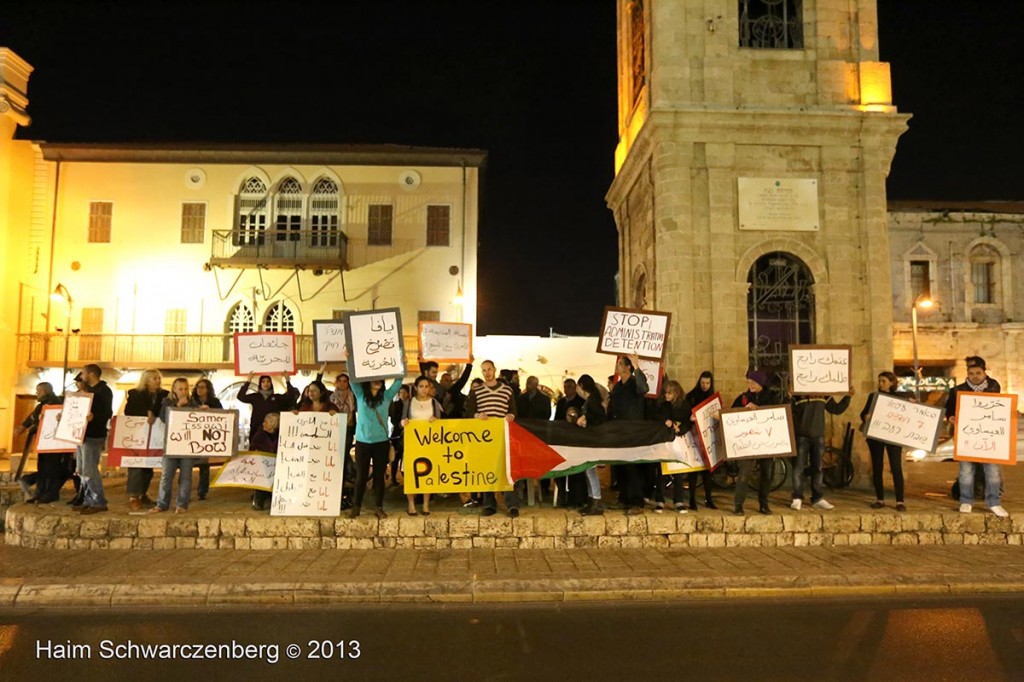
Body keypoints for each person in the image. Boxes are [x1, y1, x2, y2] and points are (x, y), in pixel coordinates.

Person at [946, 356, 1009, 518]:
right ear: (967, 374)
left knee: (992, 471)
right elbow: (949, 410)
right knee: (966, 470)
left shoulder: (994, 386)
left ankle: (994, 502)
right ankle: (966, 501)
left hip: (989, 437)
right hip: (967, 436)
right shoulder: (957, 390)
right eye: (971, 373)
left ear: (984, 373)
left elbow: (1000, 406)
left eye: (978, 373)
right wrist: (951, 417)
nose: (975, 376)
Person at [465, 360, 520, 517]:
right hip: (484, 439)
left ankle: (511, 504)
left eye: (489, 369)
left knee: (506, 469)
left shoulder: (507, 390)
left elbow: (513, 410)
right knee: (486, 469)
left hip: (503, 437)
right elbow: (469, 412)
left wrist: (511, 415)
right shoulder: (476, 392)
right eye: (484, 370)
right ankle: (489, 504)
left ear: (494, 370)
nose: (487, 372)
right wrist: (477, 415)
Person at [790, 386, 852, 512]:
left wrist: (848, 397)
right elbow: (786, 410)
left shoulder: (822, 394)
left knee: (817, 468)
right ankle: (797, 497)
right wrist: (788, 396)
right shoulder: (797, 394)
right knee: (798, 467)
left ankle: (817, 498)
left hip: (818, 436)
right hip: (801, 435)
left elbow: (836, 409)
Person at [349, 377, 403, 519]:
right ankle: (356, 507)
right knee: (361, 476)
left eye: (380, 379)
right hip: (362, 442)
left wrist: (402, 364)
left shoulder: (386, 397)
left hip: (381, 442)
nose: (377, 381)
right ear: (367, 381)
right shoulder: (360, 395)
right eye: (374, 379)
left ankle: (378, 507)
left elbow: (398, 382)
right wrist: (349, 359)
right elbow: (352, 380)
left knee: (379, 476)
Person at [731, 369, 777, 516]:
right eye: (748, 381)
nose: (749, 384)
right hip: (747, 443)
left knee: (767, 473)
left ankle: (763, 503)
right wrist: (743, 411)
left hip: (766, 442)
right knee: (744, 473)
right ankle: (738, 504)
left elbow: (777, 414)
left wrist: (759, 409)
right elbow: (731, 415)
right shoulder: (743, 398)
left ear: (761, 383)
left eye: (753, 382)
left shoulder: (772, 397)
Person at [607, 353, 649, 515]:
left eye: (620, 364)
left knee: (633, 467)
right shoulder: (618, 386)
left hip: (633, 432)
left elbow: (644, 388)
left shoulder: (634, 383)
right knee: (621, 466)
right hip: (619, 432)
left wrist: (637, 366)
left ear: (627, 367)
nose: (617, 366)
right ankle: (624, 498)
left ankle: (636, 501)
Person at [121, 369, 168, 510]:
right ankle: (134, 496)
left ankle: (143, 494)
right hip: (138, 435)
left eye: (158, 378)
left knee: (149, 466)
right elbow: (129, 411)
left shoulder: (164, 395)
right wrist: (145, 413)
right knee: (136, 465)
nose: (157, 381)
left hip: (156, 434)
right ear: (146, 380)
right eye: (154, 378)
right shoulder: (135, 394)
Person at [861, 371, 906, 511]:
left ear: (891, 383)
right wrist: (866, 417)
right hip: (876, 436)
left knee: (896, 467)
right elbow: (863, 413)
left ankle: (900, 501)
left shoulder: (900, 398)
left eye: (883, 381)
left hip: (893, 437)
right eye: (879, 381)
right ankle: (880, 499)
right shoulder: (873, 396)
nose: (880, 384)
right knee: (877, 467)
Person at [73, 364, 113, 515]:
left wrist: (94, 418)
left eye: (83, 373)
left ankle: (99, 501)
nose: (81, 376)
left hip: (93, 435)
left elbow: (107, 412)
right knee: (82, 470)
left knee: (90, 469)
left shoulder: (104, 391)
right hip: (81, 434)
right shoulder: (86, 391)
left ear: (91, 374)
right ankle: (88, 500)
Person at [150, 378, 194, 514]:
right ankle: (162, 504)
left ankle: (182, 505)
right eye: (180, 389)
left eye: (185, 389)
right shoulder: (167, 402)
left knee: (186, 476)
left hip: (187, 445)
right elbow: (164, 418)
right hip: (171, 444)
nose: (183, 391)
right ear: (174, 390)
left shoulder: (193, 403)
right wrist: (179, 407)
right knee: (166, 476)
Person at [401, 376, 443, 515]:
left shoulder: (434, 403)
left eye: (427, 386)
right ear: (416, 387)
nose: (424, 389)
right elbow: (402, 420)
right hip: (413, 443)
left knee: (428, 472)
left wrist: (435, 421)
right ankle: (411, 504)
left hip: (429, 444)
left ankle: (425, 504)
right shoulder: (408, 402)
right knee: (411, 472)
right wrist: (403, 423)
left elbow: (441, 425)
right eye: (421, 386)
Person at [15, 382, 63, 503]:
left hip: (53, 442)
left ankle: (50, 494)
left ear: (46, 391)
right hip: (44, 442)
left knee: (51, 468)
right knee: (42, 467)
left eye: (38, 391)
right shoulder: (42, 405)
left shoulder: (55, 403)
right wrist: (24, 427)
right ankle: (40, 493)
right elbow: (32, 418)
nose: (36, 393)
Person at [655, 380, 694, 514]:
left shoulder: (684, 405)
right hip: (665, 440)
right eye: (665, 393)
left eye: (669, 393)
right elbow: (658, 417)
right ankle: (659, 500)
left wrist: (680, 428)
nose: (666, 395)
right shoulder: (663, 405)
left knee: (678, 472)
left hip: (679, 440)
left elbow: (689, 422)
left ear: (676, 393)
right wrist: (666, 422)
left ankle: (678, 501)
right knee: (662, 472)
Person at [682, 371, 717, 510]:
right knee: (693, 470)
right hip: (694, 435)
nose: (705, 386)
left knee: (708, 472)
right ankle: (692, 500)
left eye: (707, 383)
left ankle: (709, 499)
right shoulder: (691, 396)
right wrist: (690, 418)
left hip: (708, 437)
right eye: (703, 383)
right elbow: (685, 413)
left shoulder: (712, 397)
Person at [574, 374, 607, 515]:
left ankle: (596, 500)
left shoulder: (592, 400)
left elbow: (599, 416)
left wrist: (585, 417)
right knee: (588, 470)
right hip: (591, 438)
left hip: (593, 439)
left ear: (581, 386)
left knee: (590, 470)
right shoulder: (593, 398)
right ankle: (592, 499)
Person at [237, 373, 299, 441]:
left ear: (271, 383)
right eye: (263, 381)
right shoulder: (255, 397)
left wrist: (287, 381)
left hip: (272, 432)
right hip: (256, 429)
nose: (266, 384)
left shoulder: (276, 397)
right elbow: (240, 396)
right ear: (260, 384)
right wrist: (248, 381)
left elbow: (291, 397)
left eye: (268, 381)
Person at [190, 378, 222, 501]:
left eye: (202, 387)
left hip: (207, 437)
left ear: (208, 389)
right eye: (198, 387)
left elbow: (221, 415)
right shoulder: (192, 401)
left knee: (204, 465)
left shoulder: (214, 402)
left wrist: (210, 410)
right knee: (187, 465)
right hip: (193, 436)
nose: (199, 389)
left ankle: (202, 491)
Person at [249, 413, 280, 511]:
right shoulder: (260, 434)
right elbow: (253, 446)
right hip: (263, 463)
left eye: (265, 422)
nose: (263, 424)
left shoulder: (279, 434)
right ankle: (259, 501)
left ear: (272, 424)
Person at [388, 384, 411, 487]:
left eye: (404, 392)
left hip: (409, 432)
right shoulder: (396, 404)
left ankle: (406, 477)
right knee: (396, 456)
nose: (402, 394)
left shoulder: (411, 404)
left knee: (406, 456)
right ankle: (393, 477)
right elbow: (393, 418)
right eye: (400, 392)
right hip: (397, 432)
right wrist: (400, 425)